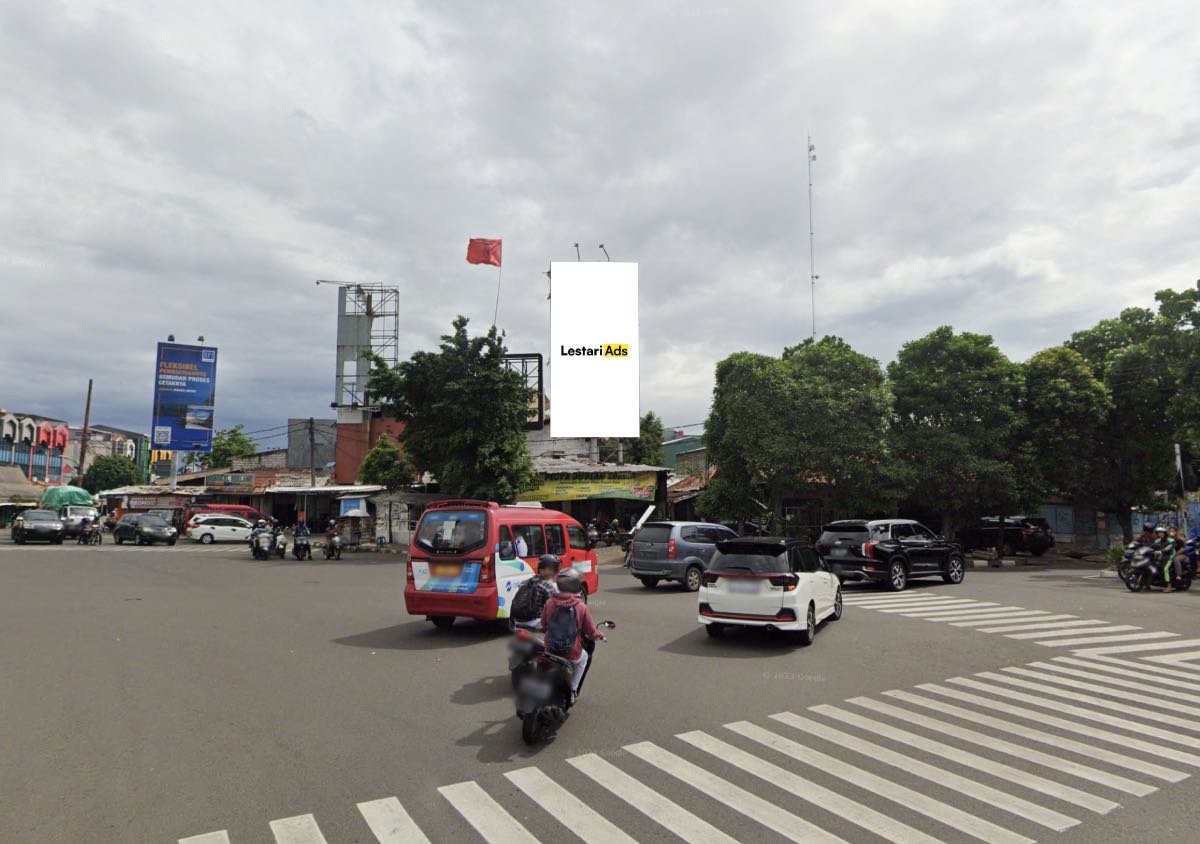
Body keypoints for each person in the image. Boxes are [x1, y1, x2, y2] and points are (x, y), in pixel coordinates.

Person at [539, 567, 605, 703]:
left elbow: (543, 624)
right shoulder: (581, 606)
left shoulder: (550, 602)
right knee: (584, 659)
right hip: (571, 652)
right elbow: (591, 632)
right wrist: (600, 636)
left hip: (550, 648)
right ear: (575, 585)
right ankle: (573, 690)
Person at [511, 555, 560, 629]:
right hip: (534, 622)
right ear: (542, 570)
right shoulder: (547, 586)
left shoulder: (527, 581)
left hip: (517, 621)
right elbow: (554, 608)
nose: (553, 572)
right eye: (551, 569)